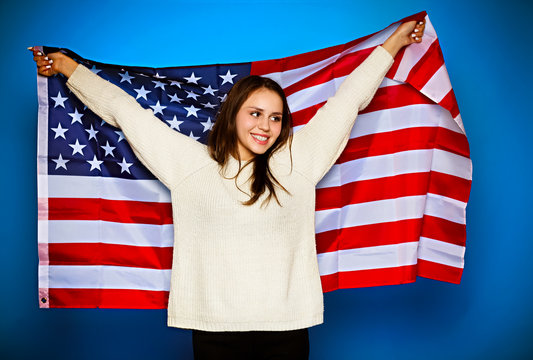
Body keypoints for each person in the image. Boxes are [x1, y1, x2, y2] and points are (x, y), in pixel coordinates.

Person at [30, 19, 425, 360]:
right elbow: (126, 113)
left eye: (275, 117)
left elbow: (348, 101)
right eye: (255, 113)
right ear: (233, 114)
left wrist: (393, 44)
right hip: (214, 332)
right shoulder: (191, 165)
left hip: (287, 332)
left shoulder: (299, 162)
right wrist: (69, 69)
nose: (265, 126)